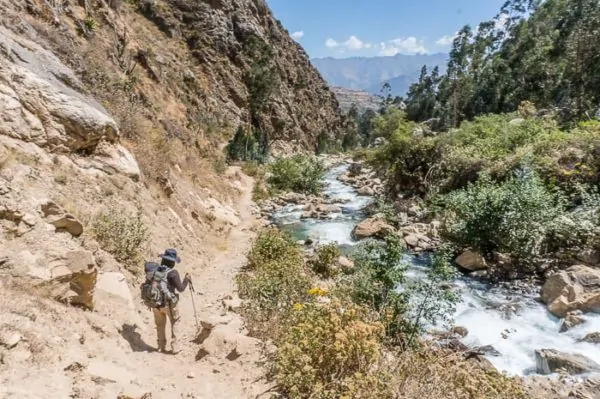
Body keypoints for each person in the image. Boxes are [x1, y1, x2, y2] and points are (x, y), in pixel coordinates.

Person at [153, 248, 191, 354]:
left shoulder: (156, 270)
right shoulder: (173, 273)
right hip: (169, 304)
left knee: (160, 325)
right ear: (172, 262)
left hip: (156, 303)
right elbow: (181, 288)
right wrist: (186, 279)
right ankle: (175, 347)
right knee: (175, 322)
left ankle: (161, 347)